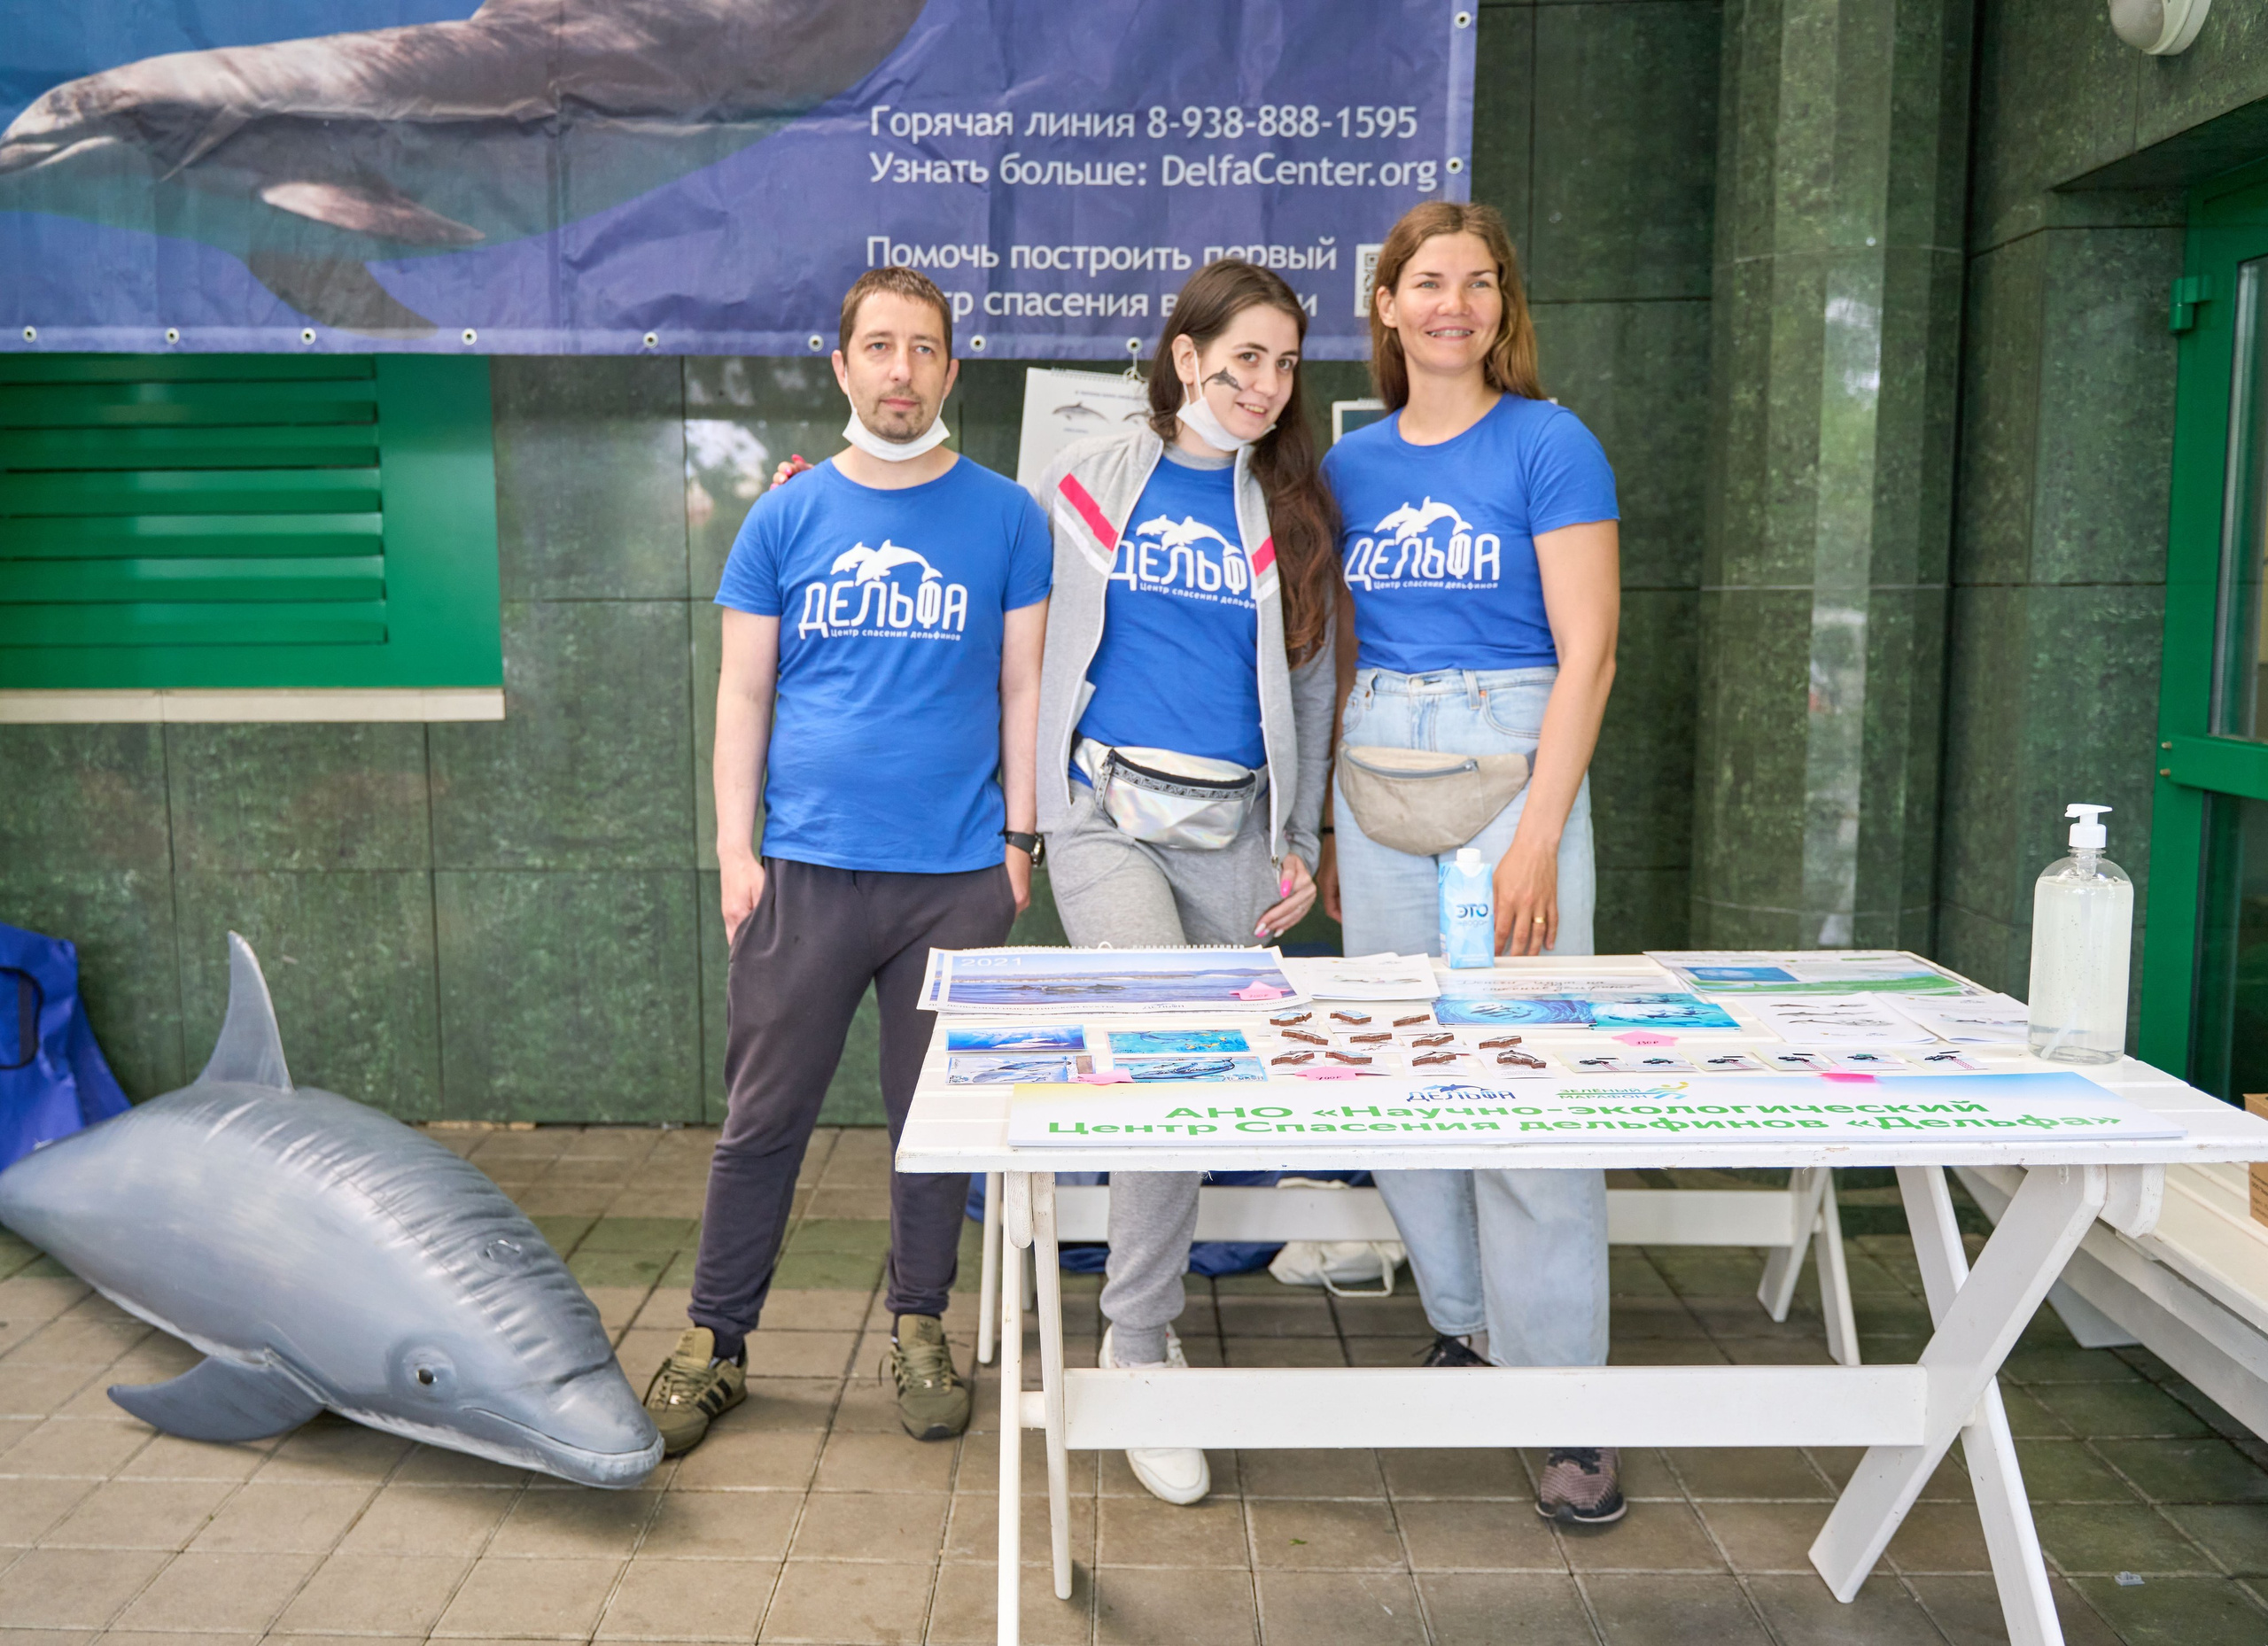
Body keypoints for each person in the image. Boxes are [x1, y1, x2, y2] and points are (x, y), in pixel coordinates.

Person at [642, 267, 1052, 1456]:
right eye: (879, 347)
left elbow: (1022, 683)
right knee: (762, 1118)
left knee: (933, 1122)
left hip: (956, 874)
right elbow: (745, 691)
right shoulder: (786, 517)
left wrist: (1018, 845)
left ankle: (919, 1324)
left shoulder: (1008, 516)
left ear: (950, 371)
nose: (901, 371)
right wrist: (735, 849)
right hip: (802, 871)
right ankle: (716, 1340)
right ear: (842, 365)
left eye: (924, 349)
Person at [1316, 202, 1625, 1525]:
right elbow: (1318, 648)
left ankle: (1564, 1402)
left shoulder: (1550, 444)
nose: (1454, 303)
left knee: (1529, 1085)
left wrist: (1542, 830)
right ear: (1385, 304)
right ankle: (1469, 1324)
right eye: (1426, 282)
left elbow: (1589, 647)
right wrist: (1326, 828)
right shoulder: (1346, 467)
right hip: (1374, 772)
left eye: (1477, 282)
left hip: (1515, 770)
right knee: (1396, 1074)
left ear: (1506, 303)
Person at [1029, 260, 1335, 1507]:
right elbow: (1018, 617)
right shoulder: (1096, 477)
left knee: (1203, 1087)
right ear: (1187, 351)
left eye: (1285, 362)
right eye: (1245, 356)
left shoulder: (1292, 508)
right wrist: (1028, 813)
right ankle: (1139, 1336)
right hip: (1104, 812)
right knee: (1165, 1041)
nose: (1265, 383)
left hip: (1237, 829)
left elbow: (1310, 683)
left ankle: (1138, 1306)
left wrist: (1302, 839)